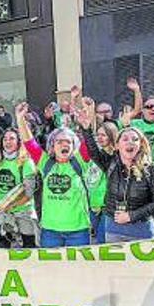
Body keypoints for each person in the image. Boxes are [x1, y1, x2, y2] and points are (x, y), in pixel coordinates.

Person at [76, 99, 154, 242]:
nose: (130, 142)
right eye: (125, 139)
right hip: (114, 228)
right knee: (116, 265)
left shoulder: (152, 168)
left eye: (135, 139)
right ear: (117, 145)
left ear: (141, 144)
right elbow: (93, 152)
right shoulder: (111, 163)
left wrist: (132, 215)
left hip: (142, 230)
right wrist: (86, 129)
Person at [18, 103, 92, 248]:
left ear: (73, 146)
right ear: (52, 146)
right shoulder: (45, 163)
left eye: (68, 142)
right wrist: (20, 119)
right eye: (59, 141)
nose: (64, 144)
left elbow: (88, 142)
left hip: (78, 231)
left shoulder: (79, 162)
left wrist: (87, 123)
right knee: (52, 270)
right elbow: (29, 143)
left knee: (77, 269)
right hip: (50, 231)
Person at [0, 128, 38, 248]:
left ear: (19, 142)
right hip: (4, 212)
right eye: (5, 139)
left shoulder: (26, 162)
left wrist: (10, 204)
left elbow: (29, 192)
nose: (8, 142)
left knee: (29, 247)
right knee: (3, 248)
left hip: (23, 212)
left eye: (12, 139)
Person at [82, 121, 119, 243]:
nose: (99, 138)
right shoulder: (97, 155)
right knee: (95, 240)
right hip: (93, 205)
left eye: (104, 135)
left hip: (107, 206)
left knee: (102, 240)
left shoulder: (115, 157)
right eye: (98, 135)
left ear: (112, 135)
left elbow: (93, 149)